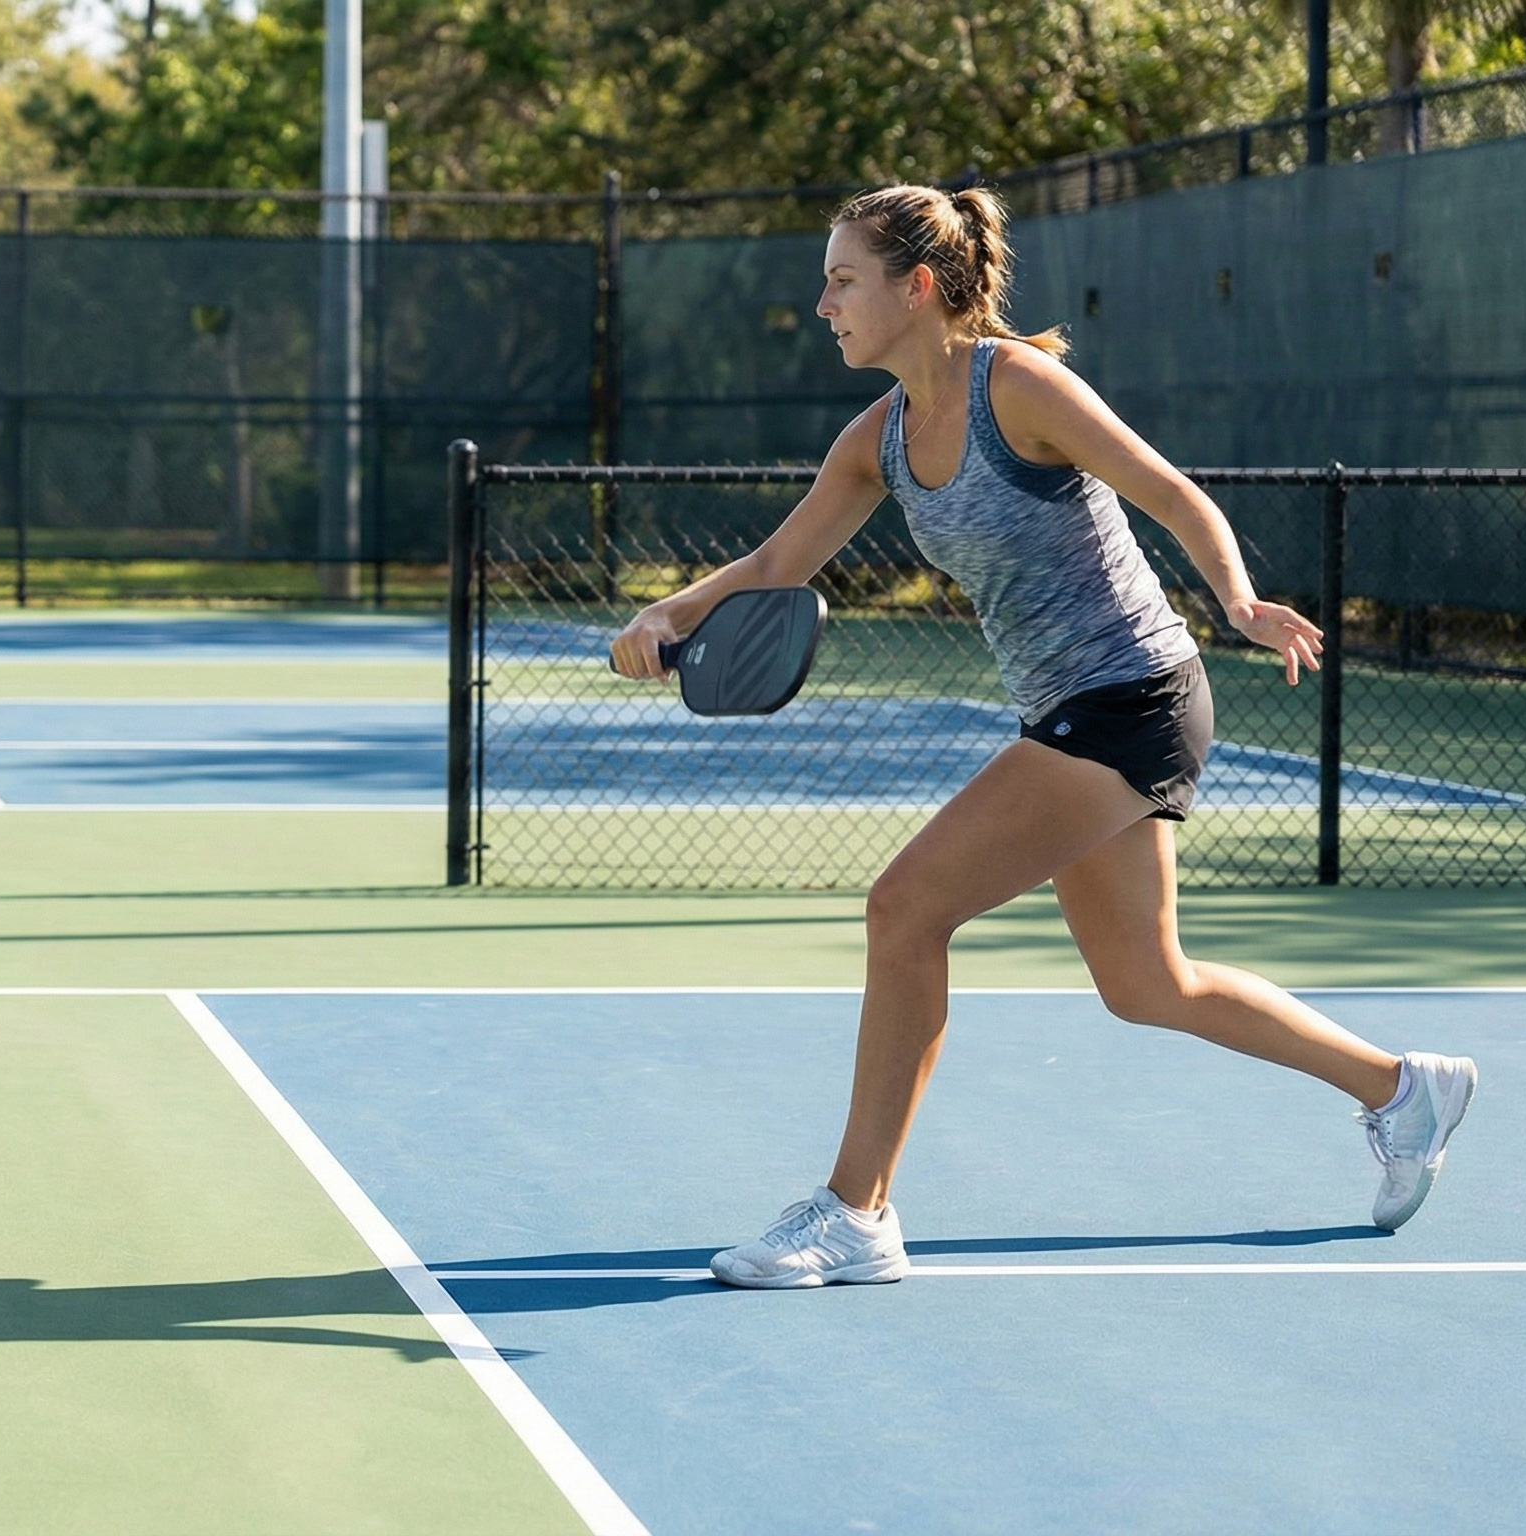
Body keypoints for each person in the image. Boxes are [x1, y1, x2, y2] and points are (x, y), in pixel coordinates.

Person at [608, 185, 1477, 1290]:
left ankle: (854, 1211)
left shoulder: (1016, 386)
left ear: (914, 287)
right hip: (1075, 706)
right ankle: (1403, 1090)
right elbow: (778, 566)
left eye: (840, 279)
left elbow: (1169, 493)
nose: (821, 301)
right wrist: (669, 613)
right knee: (1145, 983)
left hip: (1131, 695)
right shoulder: (874, 437)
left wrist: (1239, 599)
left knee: (905, 908)